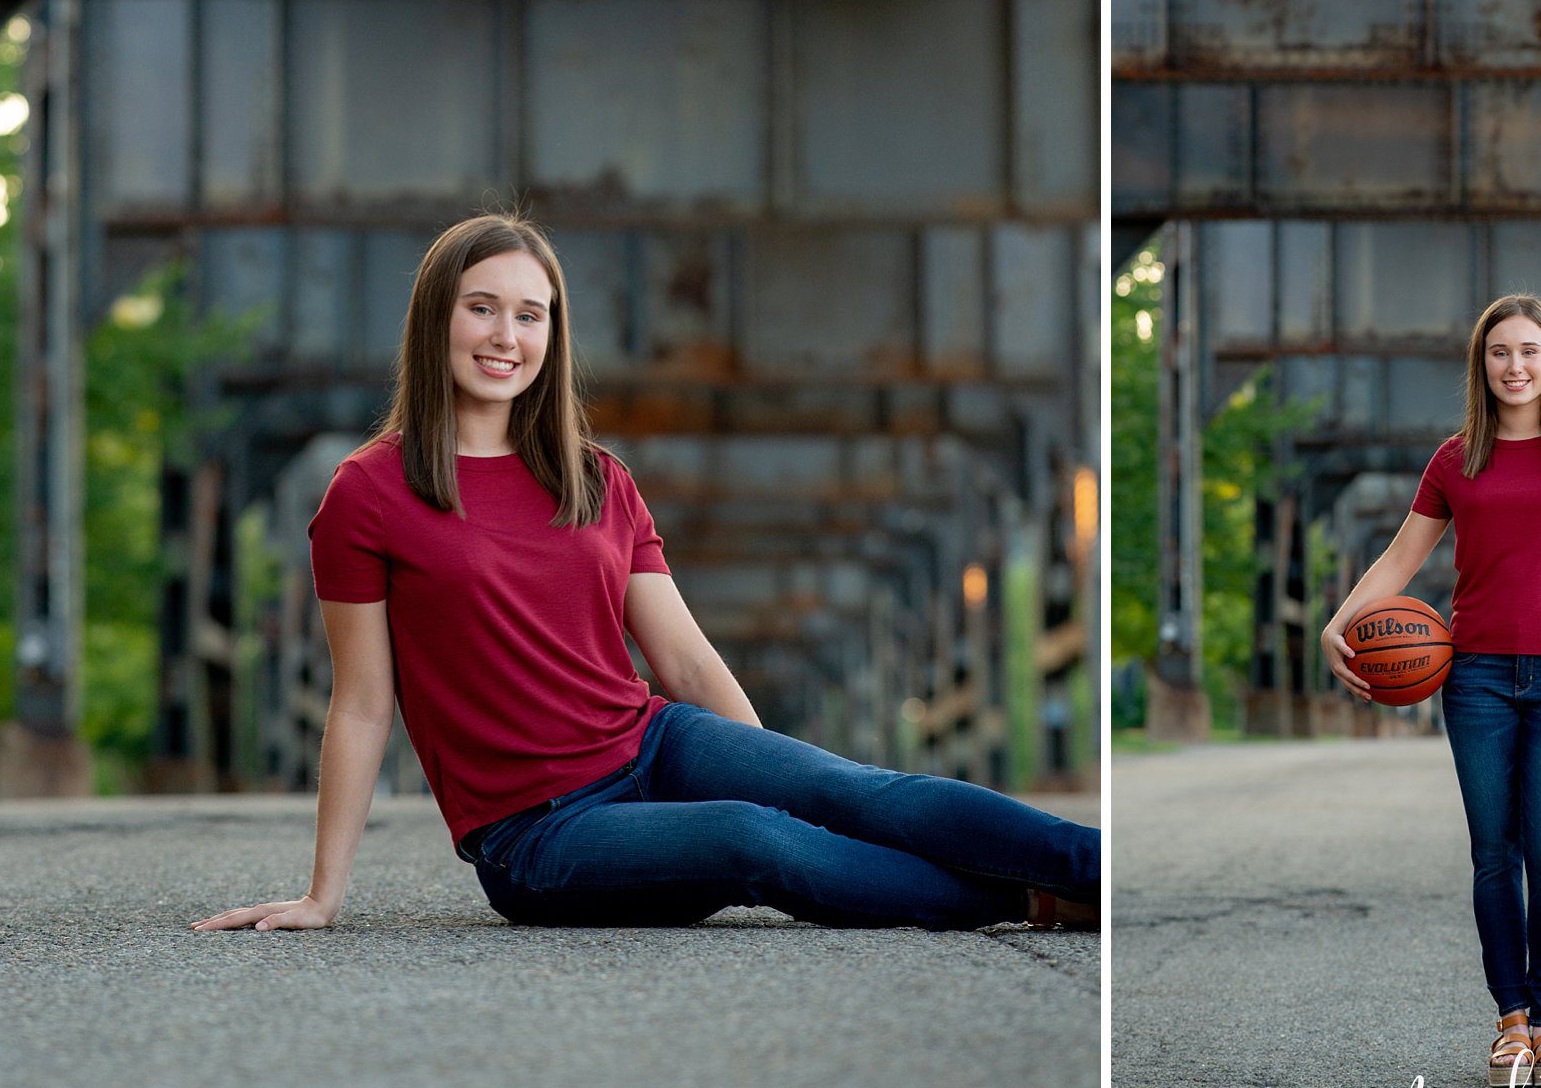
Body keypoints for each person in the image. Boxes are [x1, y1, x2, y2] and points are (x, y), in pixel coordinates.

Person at [191, 213, 1099, 934]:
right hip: (538, 835)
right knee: (754, 841)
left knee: (848, 790)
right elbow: (360, 703)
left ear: (552, 333)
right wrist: (323, 895)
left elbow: (688, 664)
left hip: (653, 744)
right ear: (436, 318)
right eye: (482, 307)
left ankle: (1098, 874)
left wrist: (774, 773)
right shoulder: (369, 493)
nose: (506, 335)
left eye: (530, 313)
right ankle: (1030, 903)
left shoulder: (595, 478)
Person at [1319, 294, 1541, 1087]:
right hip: (1477, 679)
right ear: (1482, 364)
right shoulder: (1457, 458)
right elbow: (1400, 559)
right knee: (1493, 854)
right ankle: (1509, 1025)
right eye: (1500, 352)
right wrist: (1341, 621)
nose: (1516, 366)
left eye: (1530, 350)